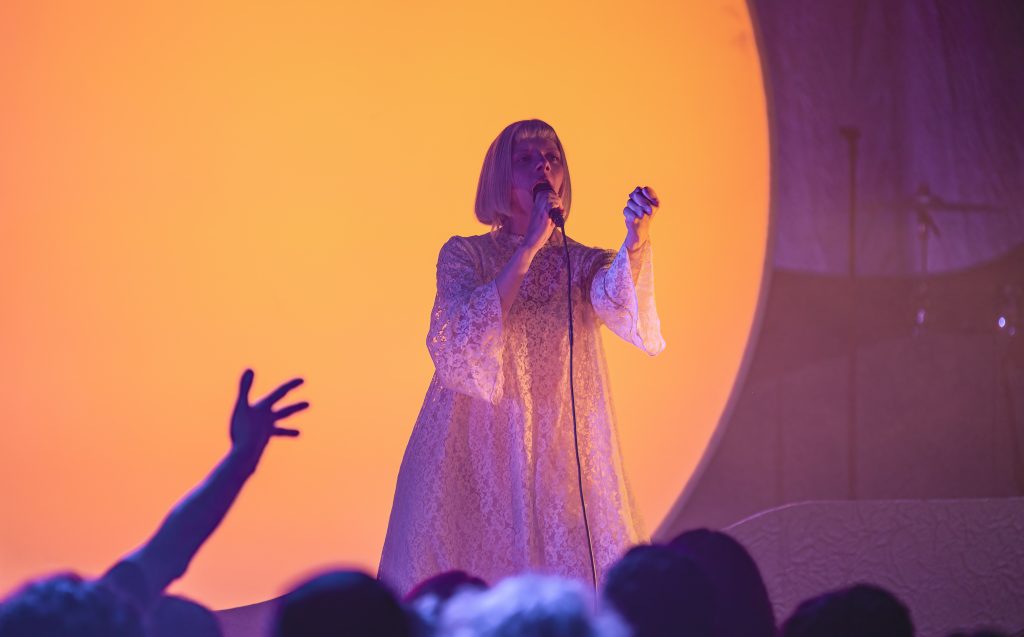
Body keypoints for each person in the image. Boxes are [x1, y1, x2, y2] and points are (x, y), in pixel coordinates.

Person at [378, 119, 665, 594]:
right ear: (499, 175)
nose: (543, 166)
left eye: (551, 157)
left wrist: (635, 238)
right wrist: (529, 245)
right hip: (476, 445)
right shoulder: (464, 255)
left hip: (556, 442)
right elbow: (461, 337)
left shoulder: (581, 260)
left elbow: (615, 299)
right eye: (526, 158)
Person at [0, 370, 308, 636]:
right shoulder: (103, 616)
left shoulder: (96, 614)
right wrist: (241, 458)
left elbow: (172, 545)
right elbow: (172, 545)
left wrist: (241, 457)